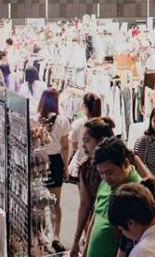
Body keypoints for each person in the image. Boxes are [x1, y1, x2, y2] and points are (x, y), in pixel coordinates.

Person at [84, 138, 155, 257]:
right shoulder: (105, 183)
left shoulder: (138, 192)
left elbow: (136, 240)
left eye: (110, 172)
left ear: (125, 164)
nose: (105, 177)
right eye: (101, 173)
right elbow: (95, 218)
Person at [71, 117, 116, 257]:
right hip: (96, 227)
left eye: (87, 141)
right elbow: (85, 205)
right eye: (82, 141)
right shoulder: (85, 167)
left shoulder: (120, 164)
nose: (83, 146)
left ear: (101, 141)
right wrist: (76, 240)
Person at [35, 88, 71, 253]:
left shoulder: (35, 119)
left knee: (38, 201)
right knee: (55, 203)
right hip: (55, 162)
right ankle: (56, 236)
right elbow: (65, 147)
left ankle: (40, 236)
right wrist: (66, 167)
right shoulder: (63, 121)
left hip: (38, 162)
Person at [69, 93, 103, 183]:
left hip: (81, 163)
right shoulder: (104, 124)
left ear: (84, 105)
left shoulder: (78, 123)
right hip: (100, 165)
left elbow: (74, 146)